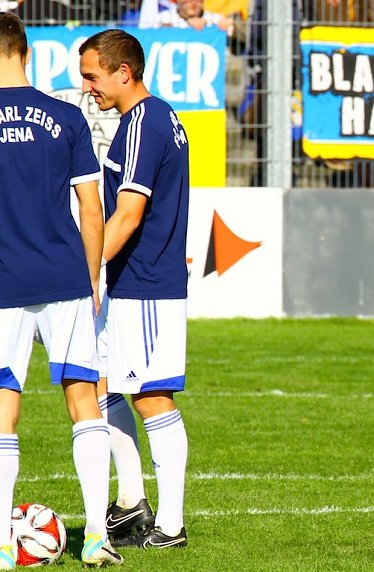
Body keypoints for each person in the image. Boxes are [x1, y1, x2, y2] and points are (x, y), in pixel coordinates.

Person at [0, 13, 122, 568]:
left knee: (4, 410)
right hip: (65, 276)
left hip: (4, 282)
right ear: (26, 52)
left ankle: (4, 544)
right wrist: (92, 276)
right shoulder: (66, 116)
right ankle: (96, 538)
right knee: (83, 401)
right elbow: (92, 208)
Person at [78, 28, 191, 549]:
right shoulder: (141, 120)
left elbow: (128, 214)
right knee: (101, 384)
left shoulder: (146, 122)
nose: (87, 88)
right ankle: (131, 504)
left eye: (92, 76)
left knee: (151, 397)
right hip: (130, 282)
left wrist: (87, 269)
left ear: (124, 72)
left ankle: (170, 526)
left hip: (145, 283)